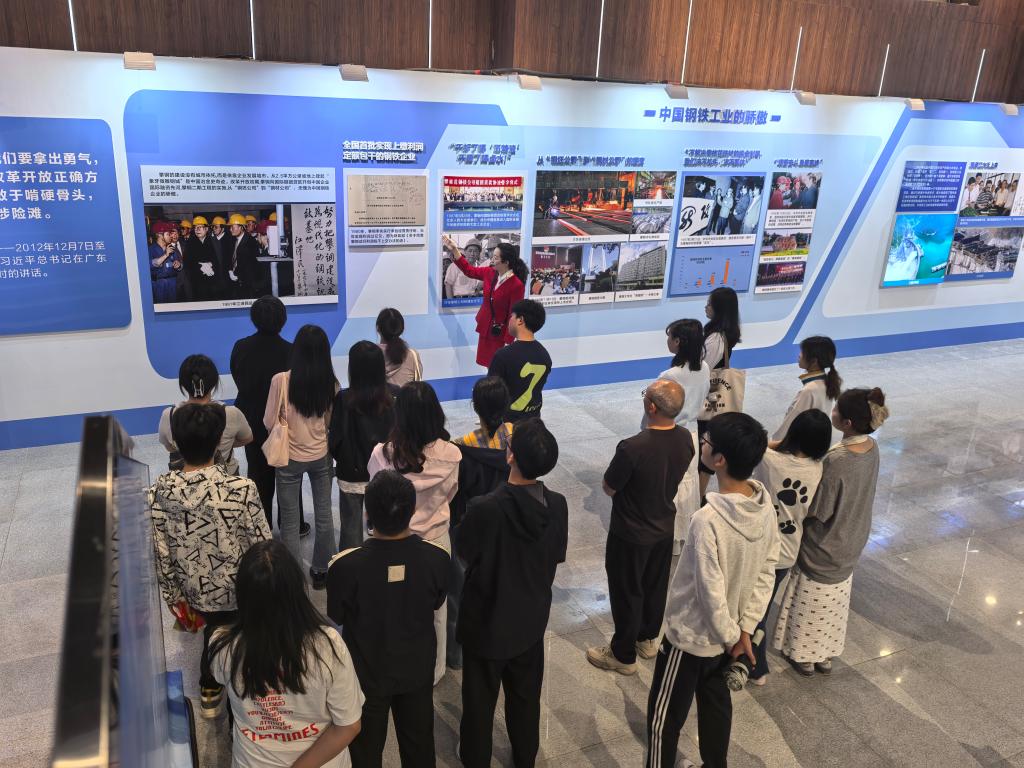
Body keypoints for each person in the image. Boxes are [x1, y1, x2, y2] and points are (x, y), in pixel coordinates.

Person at [646, 412, 779, 768]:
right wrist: (744, 630)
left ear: (719, 459)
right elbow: (768, 569)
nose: (701, 445)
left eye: (706, 442)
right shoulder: (764, 507)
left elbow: (709, 591)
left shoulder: (707, 520)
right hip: (731, 636)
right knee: (716, 709)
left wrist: (733, 636)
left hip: (691, 639)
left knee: (663, 720)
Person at [456, 418, 567, 768]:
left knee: (479, 703)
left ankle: (475, 758)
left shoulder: (485, 508)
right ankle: (524, 757)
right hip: (530, 621)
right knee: (525, 699)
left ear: (510, 456)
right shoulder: (558, 504)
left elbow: (464, 551)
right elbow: (556, 555)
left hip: (486, 622)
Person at [148, 403, 271, 719]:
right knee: (238, 636)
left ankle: (210, 687)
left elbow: (161, 552)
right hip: (238, 591)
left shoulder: (159, 492)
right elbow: (262, 545)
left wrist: (174, 599)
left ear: (176, 442)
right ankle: (243, 696)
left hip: (192, 593)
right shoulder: (241, 489)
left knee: (212, 633)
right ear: (219, 441)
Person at [326, 471, 449, 768]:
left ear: (367, 513)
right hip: (417, 669)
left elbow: (337, 614)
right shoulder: (437, 558)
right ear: (412, 511)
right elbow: (436, 602)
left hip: (366, 673)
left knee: (365, 752)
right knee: (419, 748)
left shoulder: (345, 566)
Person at [209, 540, 363, 767]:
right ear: (297, 589)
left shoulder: (222, 644)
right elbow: (348, 725)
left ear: (242, 593)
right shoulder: (328, 645)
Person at [774, 387, 889, 676]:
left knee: (809, 601)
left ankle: (803, 654)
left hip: (825, 543)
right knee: (834, 603)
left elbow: (819, 510)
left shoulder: (837, 460)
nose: (832, 412)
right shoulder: (872, 448)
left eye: (836, 409)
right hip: (852, 537)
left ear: (846, 423)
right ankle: (824, 652)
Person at [586, 379, 694, 675]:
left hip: (631, 533)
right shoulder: (685, 438)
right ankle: (647, 639)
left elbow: (609, 487)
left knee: (626, 590)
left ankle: (622, 655)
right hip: (664, 527)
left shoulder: (632, 447)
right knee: (654, 585)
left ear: (651, 407)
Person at [367, 381, 461, 685]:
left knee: (388, 605)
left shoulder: (382, 454)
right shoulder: (452, 455)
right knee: (437, 610)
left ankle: (388, 664)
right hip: (435, 541)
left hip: (389, 540)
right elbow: (451, 495)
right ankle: (434, 672)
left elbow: (375, 495)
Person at [749, 410, 832, 685]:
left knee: (753, 611)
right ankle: (749, 658)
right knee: (761, 606)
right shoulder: (818, 469)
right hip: (787, 552)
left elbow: (755, 442)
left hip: (759, 547)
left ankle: (755, 666)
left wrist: (781, 443)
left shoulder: (770, 460)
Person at [264, 324, 339, 589]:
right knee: (324, 515)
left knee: (289, 520)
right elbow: (330, 422)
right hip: (321, 455)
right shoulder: (331, 383)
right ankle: (322, 571)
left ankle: (294, 577)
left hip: (289, 458)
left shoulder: (280, 380)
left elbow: (269, 421)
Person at [230, 296, 309, 536]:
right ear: (283, 319)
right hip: (283, 422)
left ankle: (260, 526)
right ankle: (293, 524)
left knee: (257, 472)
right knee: (288, 474)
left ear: (254, 319)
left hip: (252, 420)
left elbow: (238, 377)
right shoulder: (291, 351)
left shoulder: (241, 347)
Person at [328, 341, 398, 551]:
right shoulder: (394, 396)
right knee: (388, 527)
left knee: (350, 530)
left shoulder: (343, 399)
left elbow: (335, 439)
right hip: (387, 471)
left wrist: (344, 459)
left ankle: (351, 569)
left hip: (351, 473)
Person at [442, 235, 528, 368]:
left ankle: (496, 381)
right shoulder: (489, 273)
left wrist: (509, 339)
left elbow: (514, 314)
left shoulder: (516, 285)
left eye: (496, 257)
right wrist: (455, 250)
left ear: (506, 262)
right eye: (492, 255)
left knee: (499, 365)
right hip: (486, 328)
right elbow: (469, 270)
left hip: (500, 333)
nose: (491, 259)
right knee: (488, 363)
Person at [158, 354, 252, 474]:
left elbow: (169, 447)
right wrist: (226, 444)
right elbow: (247, 438)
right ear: (214, 382)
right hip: (226, 476)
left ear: (183, 384)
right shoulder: (232, 413)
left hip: (184, 479)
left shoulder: (169, 415)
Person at [697, 286, 742, 498]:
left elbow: (702, 368)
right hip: (714, 396)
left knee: (707, 444)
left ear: (719, 308)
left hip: (711, 398)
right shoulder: (722, 333)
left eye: (710, 303)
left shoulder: (716, 338)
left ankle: (698, 495)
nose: (706, 307)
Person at [487, 299, 552, 424]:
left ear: (520, 320)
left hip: (507, 425)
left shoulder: (503, 356)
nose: (509, 320)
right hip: (534, 423)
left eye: (511, 316)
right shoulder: (544, 355)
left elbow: (490, 395)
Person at [771, 335, 842, 442]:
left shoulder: (809, 391)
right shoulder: (827, 382)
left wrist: (772, 444)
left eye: (802, 352)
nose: (799, 355)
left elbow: (788, 427)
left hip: (800, 445)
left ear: (814, 361)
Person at [647, 319, 711, 431]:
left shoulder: (669, 376)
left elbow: (653, 413)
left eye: (669, 336)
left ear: (677, 341)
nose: (667, 340)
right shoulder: (704, 366)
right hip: (692, 430)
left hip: (668, 433)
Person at [376, 308, 422, 387]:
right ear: (401, 329)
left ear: (378, 328)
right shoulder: (412, 355)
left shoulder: (367, 355)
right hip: (406, 395)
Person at [181, 215, 223, 301]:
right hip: (197, 282)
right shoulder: (190, 243)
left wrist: (211, 264)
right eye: (195, 228)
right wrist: (200, 266)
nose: (197, 230)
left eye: (200, 227)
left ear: (206, 229)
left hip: (213, 282)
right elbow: (186, 262)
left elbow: (220, 259)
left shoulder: (214, 241)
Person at [227, 213, 265, 299]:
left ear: (241, 227)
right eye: (230, 227)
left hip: (247, 283)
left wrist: (237, 275)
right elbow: (230, 257)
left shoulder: (250, 242)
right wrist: (230, 270)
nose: (230, 229)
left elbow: (251, 265)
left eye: (233, 227)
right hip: (236, 282)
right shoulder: (232, 240)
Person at [149, 221, 181, 303]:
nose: (170, 236)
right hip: (159, 284)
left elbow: (180, 264)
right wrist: (166, 255)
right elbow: (152, 264)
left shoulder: (172, 248)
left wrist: (179, 265)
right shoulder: (151, 250)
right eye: (168, 234)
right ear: (160, 235)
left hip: (172, 283)